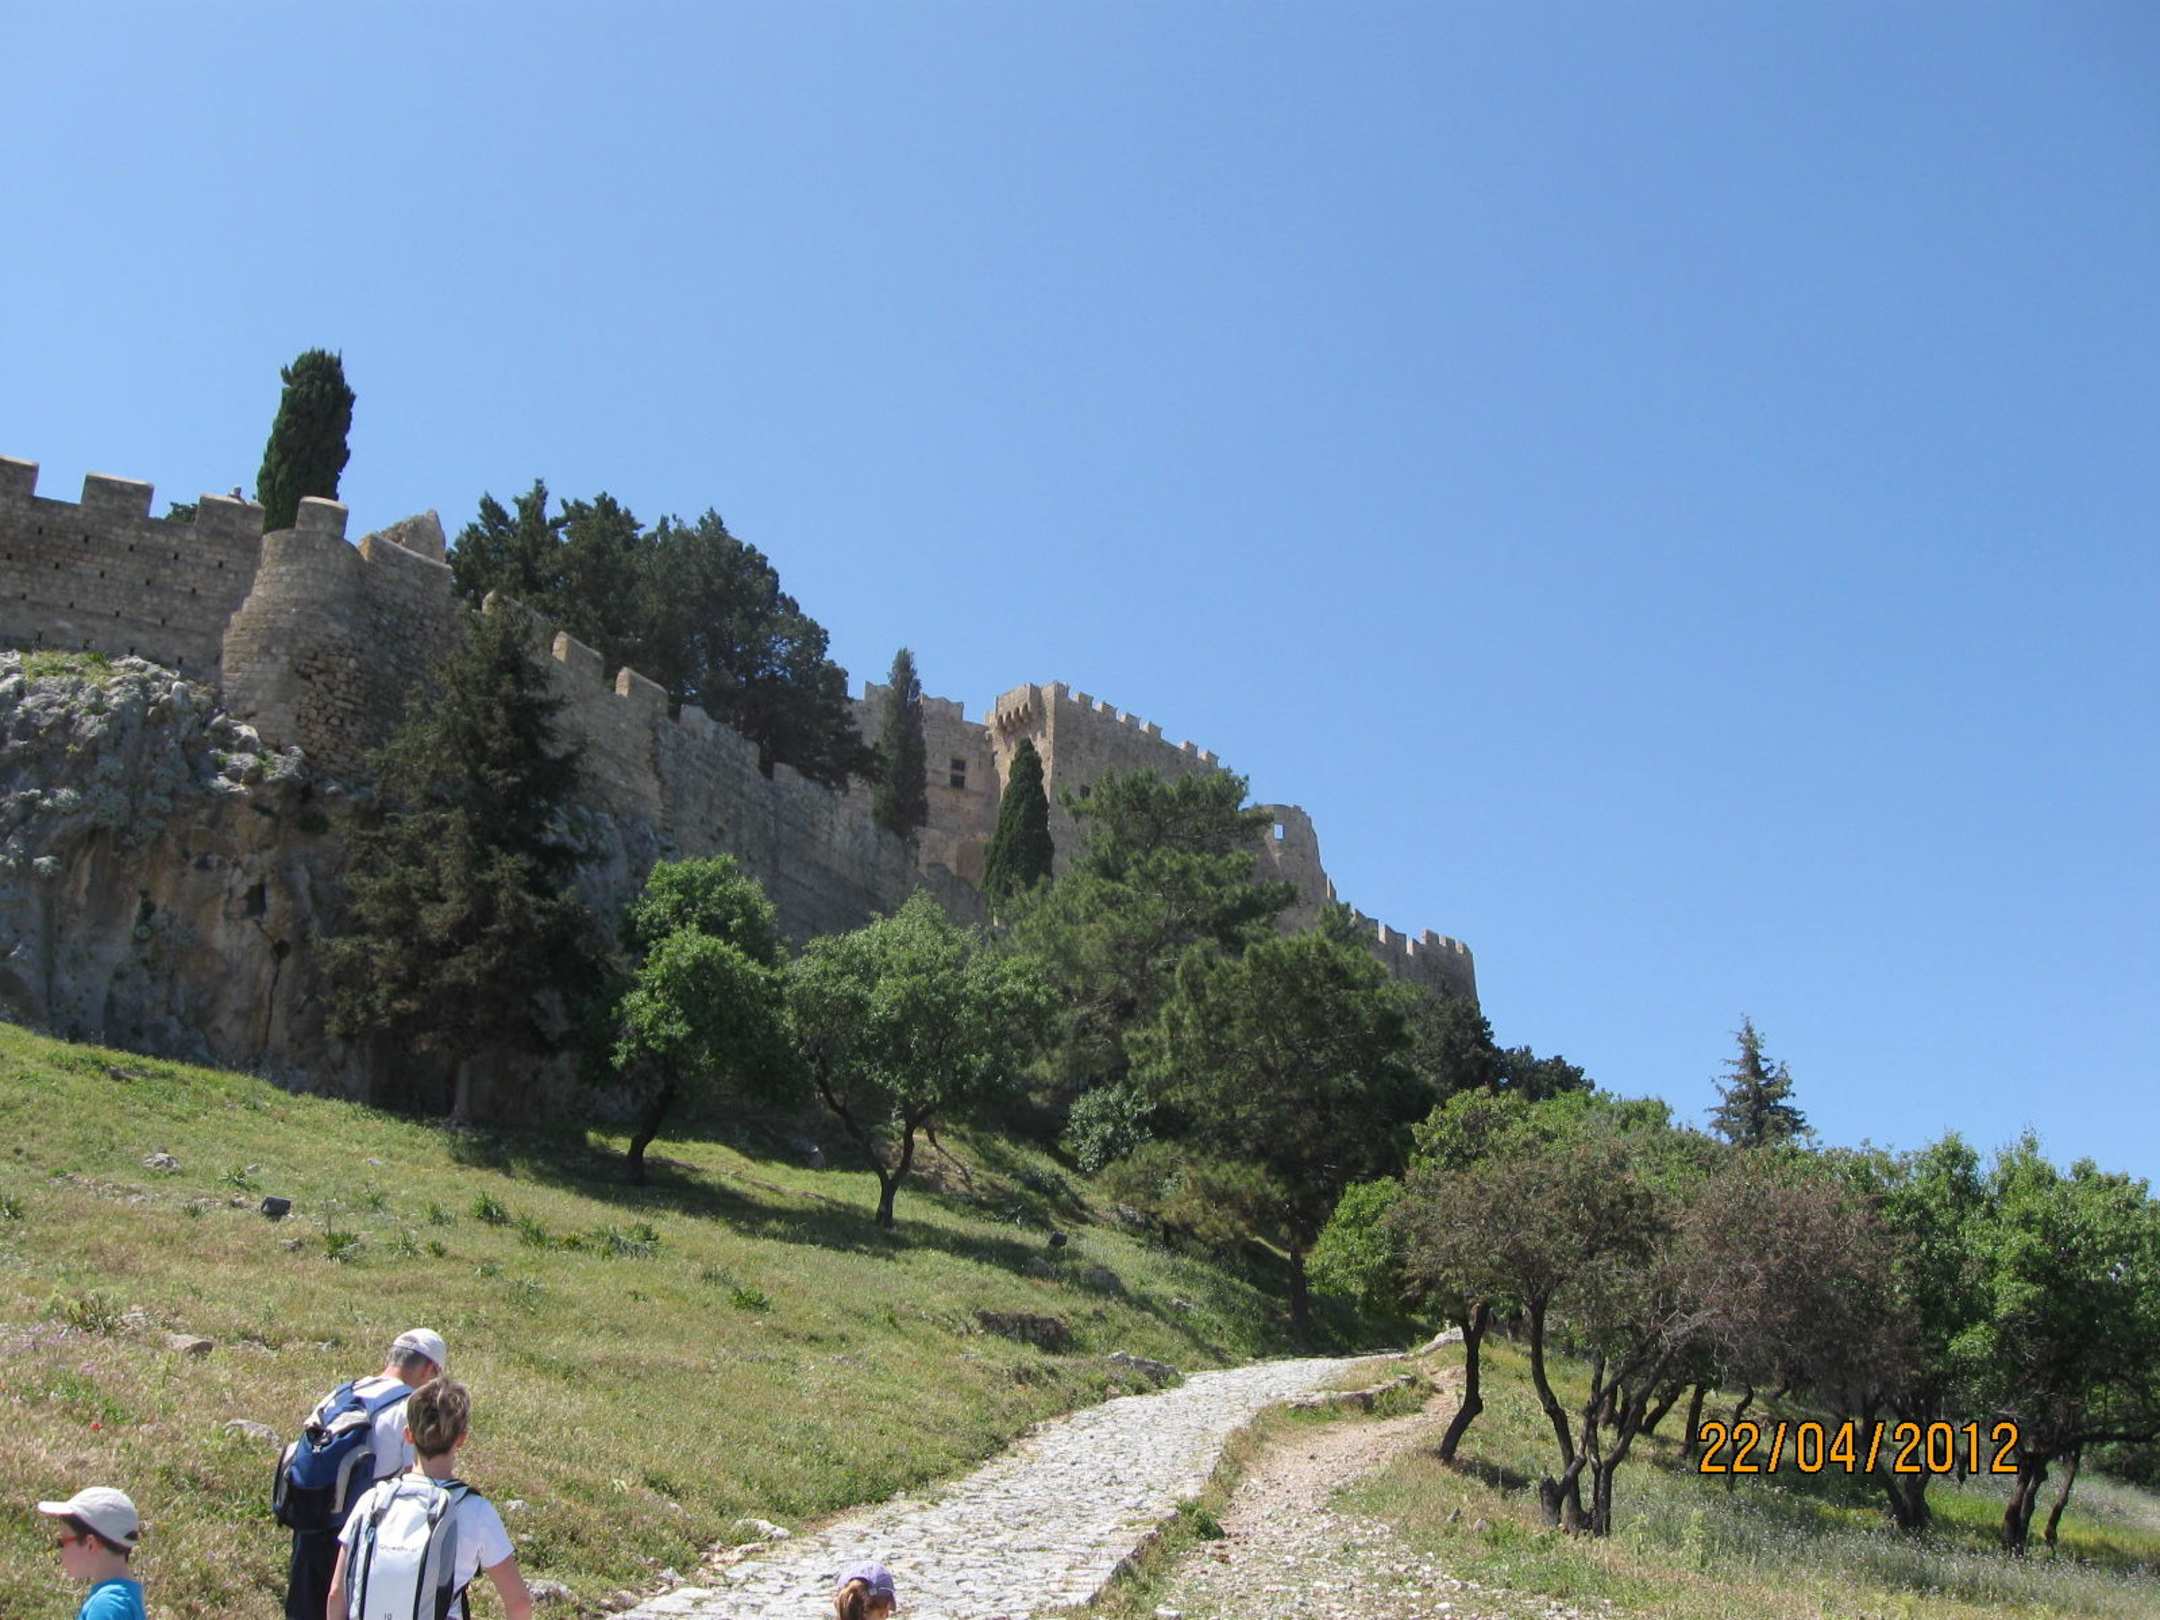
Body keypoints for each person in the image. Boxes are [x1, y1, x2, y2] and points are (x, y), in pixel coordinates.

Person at [327, 1377, 533, 1620]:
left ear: (408, 1434)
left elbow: (336, 1593)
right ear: (461, 1438)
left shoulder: (371, 1501)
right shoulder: (475, 1510)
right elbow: (519, 1602)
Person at [284, 1329, 448, 1620]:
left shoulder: (341, 1394)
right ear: (429, 1369)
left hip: (309, 1521)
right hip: (357, 1536)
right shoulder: (410, 1408)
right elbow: (414, 1479)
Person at [37, 1486, 146, 1620]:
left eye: (62, 1542)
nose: (60, 1552)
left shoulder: (106, 1606)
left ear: (90, 1544)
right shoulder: (127, 1595)